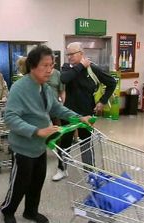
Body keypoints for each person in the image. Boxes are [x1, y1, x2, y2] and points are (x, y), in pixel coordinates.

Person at [0, 45, 91, 223]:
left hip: (40, 147)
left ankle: (31, 212)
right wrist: (37, 131)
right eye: (45, 65)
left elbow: (57, 108)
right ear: (33, 66)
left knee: (37, 182)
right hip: (23, 148)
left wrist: (78, 118)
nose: (50, 70)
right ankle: (8, 210)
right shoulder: (20, 87)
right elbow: (10, 118)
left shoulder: (45, 87)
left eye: (51, 65)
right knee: (19, 184)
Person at [52, 42, 116, 181]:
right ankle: (62, 169)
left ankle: (89, 171)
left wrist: (103, 101)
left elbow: (112, 82)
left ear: (81, 53)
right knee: (65, 141)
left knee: (86, 141)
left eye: (72, 54)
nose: (69, 57)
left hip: (87, 112)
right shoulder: (66, 68)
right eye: (67, 54)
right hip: (68, 112)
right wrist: (81, 65)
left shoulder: (92, 69)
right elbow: (64, 79)